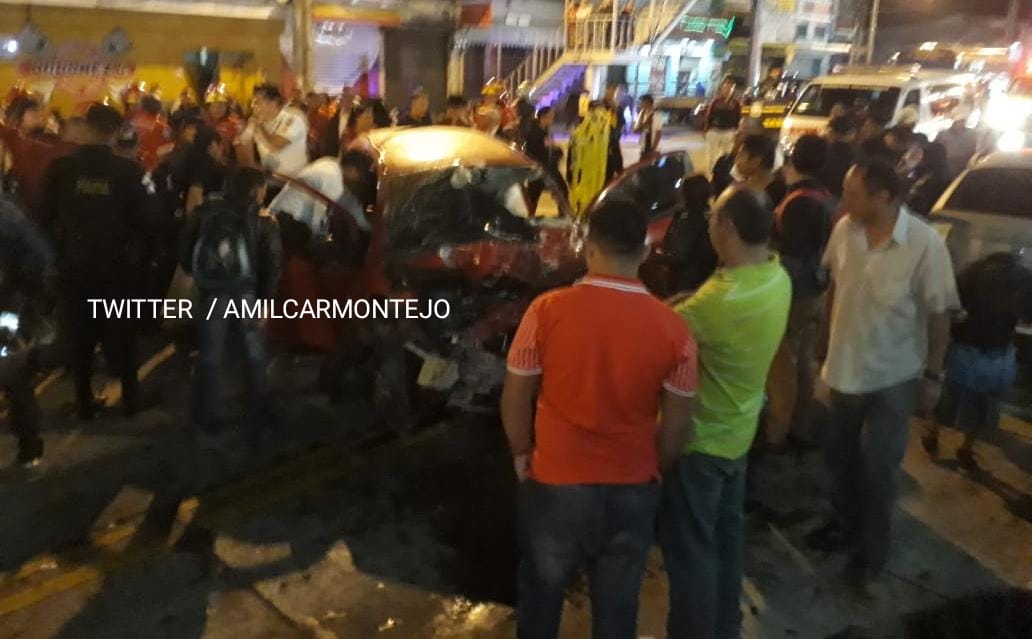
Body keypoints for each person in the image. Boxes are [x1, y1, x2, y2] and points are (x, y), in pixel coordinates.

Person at [502, 198, 697, 639]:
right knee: (616, 606)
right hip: (632, 486)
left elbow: (516, 394)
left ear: (589, 248)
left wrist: (520, 453)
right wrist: (656, 468)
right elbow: (678, 425)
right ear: (644, 253)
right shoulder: (674, 330)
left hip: (555, 483)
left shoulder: (546, 311)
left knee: (541, 594)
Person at [810, 158, 958, 598]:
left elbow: (939, 314)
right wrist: (822, 339)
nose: (843, 200)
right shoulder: (844, 231)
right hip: (842, 370)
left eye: (853, 193)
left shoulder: (924, 245)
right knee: (839, 460)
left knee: (879, 468)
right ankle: (844, 526)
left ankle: (871, 555)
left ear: (884, 197)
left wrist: (933, 375)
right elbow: (835, 285)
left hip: (894, 377)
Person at [662, 186, 791, 639]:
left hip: (701, 444)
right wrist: (689, 303)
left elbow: (658, 336)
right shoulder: (776, 276)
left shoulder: (717, 304)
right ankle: (724, 626)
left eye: (714, 217)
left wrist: (671, 308)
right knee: (725, 540)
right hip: (739, 434)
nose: (709, 223)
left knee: (690, 553)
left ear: (729, 228)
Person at [41, 103, 153, 419]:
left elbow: (42, 219)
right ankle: (130, 401)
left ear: (86, 129)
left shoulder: (61, 169)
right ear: (117, 133)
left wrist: (57, 260)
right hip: (117, 271)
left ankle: (84, 401)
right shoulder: (129, 172)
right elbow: (151, 224)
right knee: (123, 338)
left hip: (74, 269)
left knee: (80, 339)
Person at [181, 167, 281, 446]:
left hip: (212, 293)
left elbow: (186, 259)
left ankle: (204, 417)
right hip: (247, 294)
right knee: (254, 354)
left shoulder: (203, 213)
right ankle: (258, 412)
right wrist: (266, 303)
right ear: (255, 190)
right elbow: (272, 265)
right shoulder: (265, 220)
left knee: (210, 355)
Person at [922, 253, 1032, 469]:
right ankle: (966, 448)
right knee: (984, 407)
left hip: (966, 350)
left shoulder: (970, 275)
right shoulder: (1021, 282)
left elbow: (951, 309)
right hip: (998, 355)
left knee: (949, 402)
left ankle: (932, 433)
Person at [765, 134, 832, 448]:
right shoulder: (821, 195)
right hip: (815, 286)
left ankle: (783, 423)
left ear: (792, 160)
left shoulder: (798, 202)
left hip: (797, 290)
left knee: (784, 359)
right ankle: (801, 420)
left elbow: (791, 256)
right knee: (803, 357)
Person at [0, 198, 54, 467]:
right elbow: (40, 258)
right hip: (7, 308)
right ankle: (30, 448)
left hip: (7, 307)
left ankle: (30, 445)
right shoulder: (7, 214)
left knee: (14, 375)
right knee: (15, 376)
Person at [268, 149, 373, 239]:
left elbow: (352, 207)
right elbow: (319, 216)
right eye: (362, 175)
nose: (362, 180)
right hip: (288, 220)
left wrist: (371, 229)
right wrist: (320, 238)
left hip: (283, 216)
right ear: (353, 170)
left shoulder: (331, 164)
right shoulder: (333, 177)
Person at [661, 173, 718, 294]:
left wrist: (657, 259)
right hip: (707, 282)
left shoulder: (686, 221)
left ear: (686, 194)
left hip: (685, 283)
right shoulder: (711, 217)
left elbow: (677, 255)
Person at [239, 84, 308, 180]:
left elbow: (276, 145)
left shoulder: (293, 117)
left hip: (294, 182)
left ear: (273, 102)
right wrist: (244, 132)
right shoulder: (259, 122)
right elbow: (247, 159)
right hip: (270, 181)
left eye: (258, 102)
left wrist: (259, 126)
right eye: (253, 103)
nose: (253, 106)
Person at [524, 107, 565, 215]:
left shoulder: (544, 130)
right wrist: (546, 144)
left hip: (548, 168)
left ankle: (563, 215)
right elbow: (532, 150)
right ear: (543, 117)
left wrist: (554, 147)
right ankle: (528, 216)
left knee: (561, 190)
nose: (553, 119)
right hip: (539, 169)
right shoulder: (534, 132)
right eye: (551, 116)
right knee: (533, 195)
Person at [710, 117, 764, 198]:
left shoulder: (762, 166)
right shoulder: (723, 162)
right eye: (738, 129)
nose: (737, 134)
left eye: (743, 131)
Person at [184, 126, 228, 215]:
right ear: (213, 145)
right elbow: (193, 204)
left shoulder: (189, 161)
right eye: (220, 145)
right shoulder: (205, 168)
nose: (222, 149)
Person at [703, 77, 741, 175]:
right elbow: (709, 116)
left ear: (733, 89)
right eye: (726, 87)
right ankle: (711, 174)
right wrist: (706, 130)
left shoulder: (735, 103)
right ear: (722, 88)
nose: (728, 90)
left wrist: (736, 132)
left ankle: (724, 174)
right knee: (711, 155)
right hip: (714, 131)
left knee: (727, 155)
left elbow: (738, 118)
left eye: (731, 88)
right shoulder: (716, 102)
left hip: (729, 131)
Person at [129, 94, 173, 174]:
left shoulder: (133, 123)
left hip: (133, 167)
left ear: (142, 108)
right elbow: (169, 150)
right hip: (155, 170)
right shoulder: (165, 127)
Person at [905, 141, 952, 216]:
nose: (920, 157)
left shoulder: (939, 176)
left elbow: (922, 200)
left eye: (922, 154)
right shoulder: (925, 170)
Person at [733, 133, 781, 203]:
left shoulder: (777, 192)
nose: (736, 159)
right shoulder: (742, 185)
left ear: (756, 160)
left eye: (741, 154)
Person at [820, 115, 857, 200]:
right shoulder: (854, 154)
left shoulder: (824, 151)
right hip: (839, 198)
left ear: (832, 132)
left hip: (823, 195)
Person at [936, 106, 978, 178]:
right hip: (949, 171)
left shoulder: (972, 133)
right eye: (959, 121)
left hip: (968, 169)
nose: (961, 123)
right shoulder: (942, 135)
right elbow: (937, 153)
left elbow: (976, 150)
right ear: (954, 121)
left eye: (963, 120)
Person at [633, 94, 662, 158]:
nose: (639, 104)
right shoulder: (642, 114)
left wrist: (653, 150)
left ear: (647, 103)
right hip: (643, 148)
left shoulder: (657, 115)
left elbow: (658, 133)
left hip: (653, 149)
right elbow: (635, 131)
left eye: (641, 102)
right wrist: (644, 124)